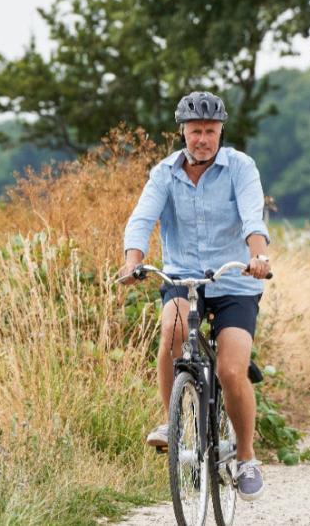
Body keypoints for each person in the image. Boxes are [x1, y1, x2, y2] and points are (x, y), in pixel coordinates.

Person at [118, 91, 272, 502]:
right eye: (194, 131)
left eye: (210, 131)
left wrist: (257, 254)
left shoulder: (240, 167)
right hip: (182, 277)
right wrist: (134, 260)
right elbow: (142, 219)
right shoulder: (164, 173)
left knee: (231, 370)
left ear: (221, 131)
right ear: (182, 131)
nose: (202, 139)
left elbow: (252, 218)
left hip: (235, 280)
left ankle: (246, 457)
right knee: (172, 328)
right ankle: (173, 421)